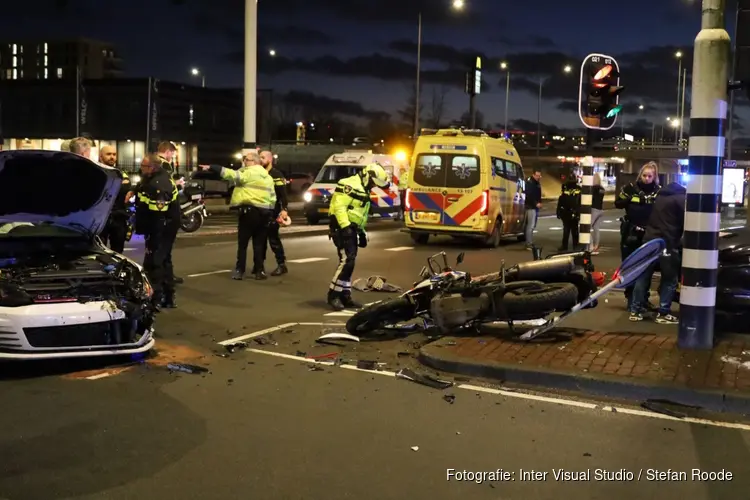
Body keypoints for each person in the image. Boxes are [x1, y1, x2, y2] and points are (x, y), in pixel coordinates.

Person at [198, 150, 276, 280]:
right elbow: (272, 197)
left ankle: (240, 270)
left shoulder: (249, 173)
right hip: (264, 213)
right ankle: (259, 271)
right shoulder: (267, 177)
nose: (244, 161)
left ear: (254, 162)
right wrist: (270, 213)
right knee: (258, 243)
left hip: (249, 212)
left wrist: (213, 167)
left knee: (243, 243)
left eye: (247, 159)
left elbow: (231, 174)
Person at [327, 163, 390, 311]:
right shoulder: (348, 184)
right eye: (374, 182)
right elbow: (339, 207)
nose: (374, 185)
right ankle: (333, 295)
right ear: (368, 176)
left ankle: (345, 295)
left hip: (351, 227)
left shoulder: (363, 188)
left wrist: (361, 232)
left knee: (350, 262)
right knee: (346, 261)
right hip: (341, 226)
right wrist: (345, 227)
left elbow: (359, 214)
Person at [628, 179, 686, 324]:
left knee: (643, 276)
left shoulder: (660, 197)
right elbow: (687, 221)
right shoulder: (681, 199)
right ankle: (663, 313)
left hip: (650, 241)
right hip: (667, 242)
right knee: (669, 278)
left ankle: (635, 310)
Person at [131, 154, 179, 310]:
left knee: (154, 262)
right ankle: (168, 297)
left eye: (143, 166)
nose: (141, 169)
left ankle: (156, 299)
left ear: (151, 167)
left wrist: (150, 236)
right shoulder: (152, 179)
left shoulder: (160, 186)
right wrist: (133, 190)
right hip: (160, 227)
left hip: (161, 228)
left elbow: (158, 216)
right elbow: (143, 186)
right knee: (164, 260)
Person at [615, 161, 661, 310]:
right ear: (640, 175)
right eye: (644, 175)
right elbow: (618, 203)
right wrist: (630, 199)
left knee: (647, 267)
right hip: (631, 231)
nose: (647, 178)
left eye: (650, 176)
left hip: (649, 233)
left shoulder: (658, 191)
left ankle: (643, 299)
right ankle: (631, 300)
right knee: (630, 266)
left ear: (654, 177)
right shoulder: (630, 188)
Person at [154, 141, 182, 284]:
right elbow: (166, 186)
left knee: (158, 246)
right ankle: (164, 277)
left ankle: (167, 275)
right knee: (165, 247)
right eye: (173, 153)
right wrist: (177, 184)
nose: (173, 156)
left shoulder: (152, 162)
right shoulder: (164, 164)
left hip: (155, 212)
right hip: (168, 212)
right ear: (168, 151)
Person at [260, 150, 289, 276]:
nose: (260, 160)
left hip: (273, 211)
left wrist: (284, 210)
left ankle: (281, 264)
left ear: (270, 159)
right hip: (261, 210)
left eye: (263, 157)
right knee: (260, 240)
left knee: (273, 239)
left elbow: (283, 194)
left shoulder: (276, 174)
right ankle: (259, 266)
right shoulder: (259, 173)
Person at [98, 145, 131, 254]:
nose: (112, 157)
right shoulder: (97, 170)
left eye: (114, 154)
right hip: (101, 217)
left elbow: (126, 187)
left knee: (117, 252)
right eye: (108, 154)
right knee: (99, 250)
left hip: (119, 217)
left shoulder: (121, 172)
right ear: (101, 156)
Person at [556, 172, 581, 251]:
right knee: (575, 230)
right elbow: (580, 201)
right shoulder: (579, 188)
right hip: (575, 212)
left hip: (566, 212)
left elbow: (561, 200)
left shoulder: (565, 187)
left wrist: (559, 211)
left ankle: (564, 246)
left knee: (566, 230)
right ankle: (575, 246)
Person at [523, 169, 542, 249]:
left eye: (539, 176)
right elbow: (529, 195)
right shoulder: (530, 183)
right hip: (530, 207)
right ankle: (529, 243)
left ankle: (529, 242)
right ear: (533, 174)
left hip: (533, 206)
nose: (539, 177)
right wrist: (536, 203)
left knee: (531, 225)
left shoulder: (536, 182)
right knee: (530, 225)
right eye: (537, 176)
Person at [590, 173, 606, 253]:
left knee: (586, 228)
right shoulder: (602, 189)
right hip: (600, 209)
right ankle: (596, 246)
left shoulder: (593, 188)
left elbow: (591, 198)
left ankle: (591, 246)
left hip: (594, 209)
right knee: (596, 229)